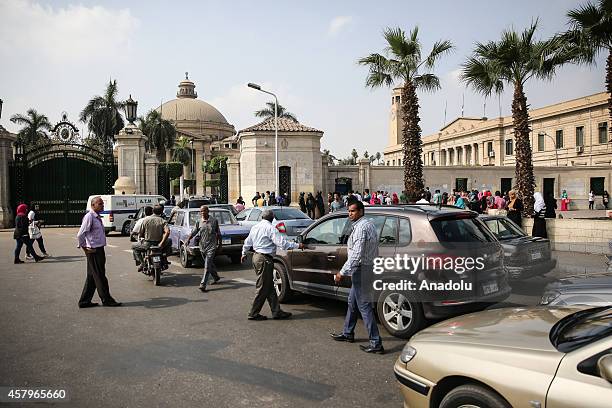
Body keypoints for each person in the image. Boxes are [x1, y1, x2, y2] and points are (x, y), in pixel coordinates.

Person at [330, 200, 383, 354]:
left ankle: (376, 342)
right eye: (349, 211)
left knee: (364, 307)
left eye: (352, 211)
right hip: (367, 267)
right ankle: (348, 333)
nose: (350, 214)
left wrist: (342, 272)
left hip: (362, 270)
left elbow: (356, 255)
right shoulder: (370, 224)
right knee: (352, 302)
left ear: (360, 211)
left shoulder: (361, 228)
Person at [241, 209, 304, 320]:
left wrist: (244, 253)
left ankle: (276, 311)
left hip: (256, 257)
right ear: (272, 218)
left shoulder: (255, 227)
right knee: (262, 287)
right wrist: (298, 246)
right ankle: (253, 313)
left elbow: (247, 242)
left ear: (262, 217)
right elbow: (282, 244)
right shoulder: (270, 228)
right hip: (265, 259)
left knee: (269, 287)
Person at [77, 196, 121, 308]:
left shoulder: (96, 217)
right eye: (100, 204)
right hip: (94, 250)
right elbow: (80, 234)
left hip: (98, 249)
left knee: (92, 276)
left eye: (102, 204)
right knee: (100, 276)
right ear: (93, 205)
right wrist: (85, 248)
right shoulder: (89, 217)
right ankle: (107, 299)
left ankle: (84, 301)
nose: (102, 206)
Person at [186, 206, 222, 292]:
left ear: (208, 211)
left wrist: (220, 245)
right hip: (202, 246)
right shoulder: (199, 221)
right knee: (209, 263)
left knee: (207, 265)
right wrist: (188, 239)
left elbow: (219, 233)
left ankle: (203, 284)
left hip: (212, 246)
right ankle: (216, 277)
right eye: (201, 211)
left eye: (204, 211)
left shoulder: (214, 221)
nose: (202, 213)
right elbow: (194, 231)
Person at [133, 204, 170, 271]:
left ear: (153, 211)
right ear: (161, 212)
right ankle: (164, 258)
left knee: (134, 246)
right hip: (159, 244)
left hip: (148, 244)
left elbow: (140, 233)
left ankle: (142, 263)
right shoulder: (163, 221)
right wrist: (161, 243)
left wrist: (141, 237)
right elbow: (167, 232)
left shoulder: (146, 220)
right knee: (170, 241)